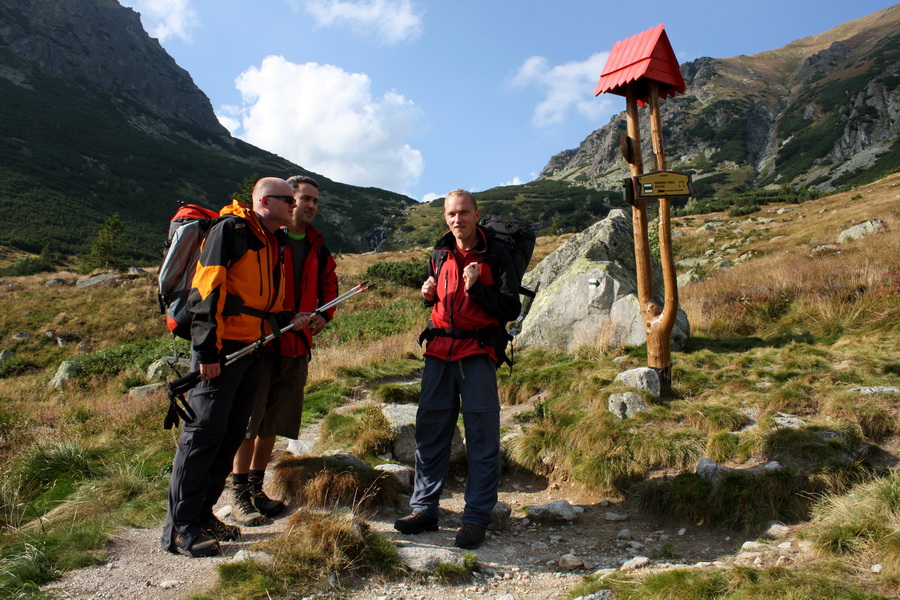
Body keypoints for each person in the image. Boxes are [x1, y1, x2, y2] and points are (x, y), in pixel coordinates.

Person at [161, 177, 310, 558]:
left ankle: (203, 514)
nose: (293, 206)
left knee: (228, 435)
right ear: (264, 200)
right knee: (202, 436)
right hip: (222, 350)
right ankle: (181, 529)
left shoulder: (267, 238)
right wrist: (207, 351)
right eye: (286, 200)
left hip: (253, 349)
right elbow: (205, 290)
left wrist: (290, 317)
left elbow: (260, 299)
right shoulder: (231, 230)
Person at [394, 189, 521, 549]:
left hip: (477, 353)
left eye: (463, 212)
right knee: (430, 434)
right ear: (445, 217)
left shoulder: (496, 254)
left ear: (476, 214)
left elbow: (510, 307)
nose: (457, 219)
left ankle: (476, 517)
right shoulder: (439, 253)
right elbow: (436, 299)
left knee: (482, 437)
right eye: (451, 213)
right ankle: (424, 509)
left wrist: (478, 289)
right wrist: (425, 294)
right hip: (438, 352)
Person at [229, 175, 338, 524]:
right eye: (304, 198)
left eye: (314, 201)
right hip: (261, 343)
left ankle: (257, 488)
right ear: (287, 201)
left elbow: (329, 284)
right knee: (249, 420)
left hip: (296, 345)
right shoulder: (266, 238)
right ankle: (237, 494)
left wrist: (325, 314)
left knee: (271, 422)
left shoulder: (318, 245)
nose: (309, 206)